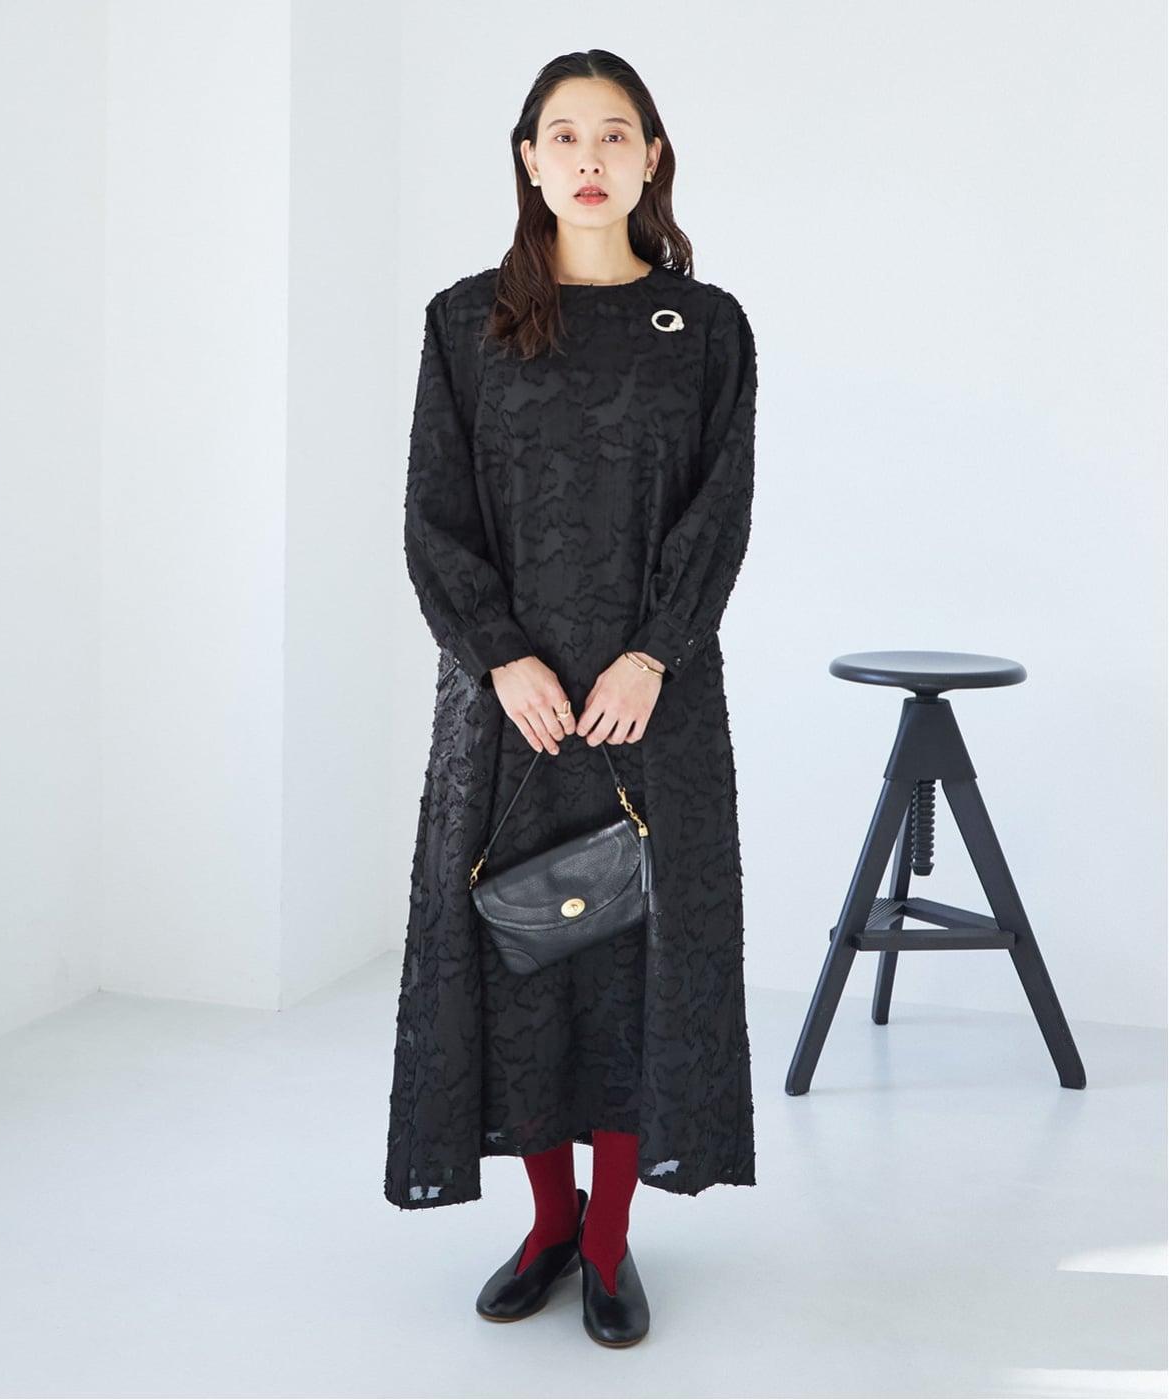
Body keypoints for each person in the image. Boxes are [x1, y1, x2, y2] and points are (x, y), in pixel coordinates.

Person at [384, 48, 758, 1348]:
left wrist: (655, 653)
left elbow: (720, 510)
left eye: (615, 133)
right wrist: (501, 655)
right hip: (513, 712)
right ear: (529, 160)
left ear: (652, 158)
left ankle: (608, 1244)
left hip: (655, 708)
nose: (589, 157)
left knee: (637, 963)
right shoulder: (463, 322)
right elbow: (435, 514)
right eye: (564, 134)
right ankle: (549, 1224)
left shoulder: (705, 328)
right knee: (520, 957)